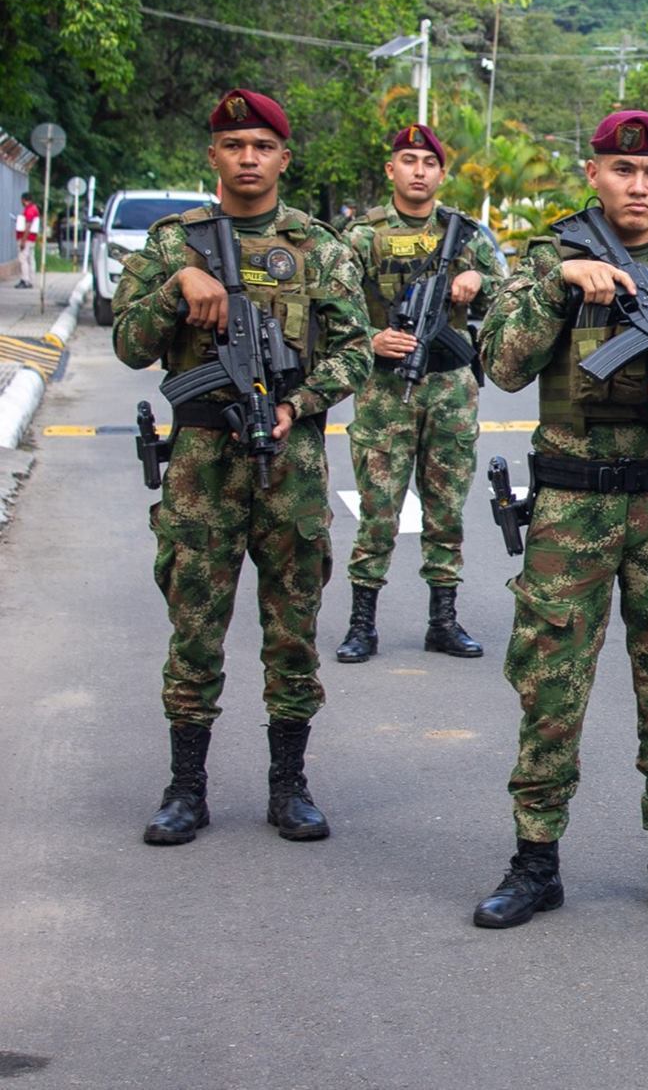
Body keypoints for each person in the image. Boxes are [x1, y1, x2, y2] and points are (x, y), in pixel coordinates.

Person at [471, 110, 648, 929]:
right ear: (592, 173)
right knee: (550, 681)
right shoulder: (544, 260)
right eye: (622, 171)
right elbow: (503, 363)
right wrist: (566, 283)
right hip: (572, 504)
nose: (639, 186)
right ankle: (535, 860)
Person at [111, 88, 373, 846]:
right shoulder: (172, 242)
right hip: (199, 458)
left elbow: (357, 347)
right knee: (195, 625)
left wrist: (305, 400)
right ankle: (185, 787)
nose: (248, 158)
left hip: (289, 454)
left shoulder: (319, 246)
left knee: (294, 626)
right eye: (234, 146)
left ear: (284, 158)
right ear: (213, 156)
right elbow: (128, 343)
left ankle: (289, 784)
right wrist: (176, 288)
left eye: (262, 146)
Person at [335, 124, 505, 664]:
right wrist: (370, 339)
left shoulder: (467, 234)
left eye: (428, 163)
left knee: (446, 508)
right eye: (408, 160)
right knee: (379, 511)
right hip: (385, 388)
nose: (418, 171)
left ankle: (443, 621)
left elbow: (514, 294)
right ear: (391, 170)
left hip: (451, 387)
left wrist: (478, 280)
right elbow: (330, 309)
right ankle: (362, 623)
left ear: (441, 173)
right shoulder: (362, 236)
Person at [14, 197, 40, 286]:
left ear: (24, 200)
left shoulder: (29, 210)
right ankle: (31, 280)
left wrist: (23, 241)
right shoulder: (34, 209)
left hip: (26, 238)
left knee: (23, 259)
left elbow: (28, 225)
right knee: (31, 259)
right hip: (31, 238)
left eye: (21, 200)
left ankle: (25, 280)